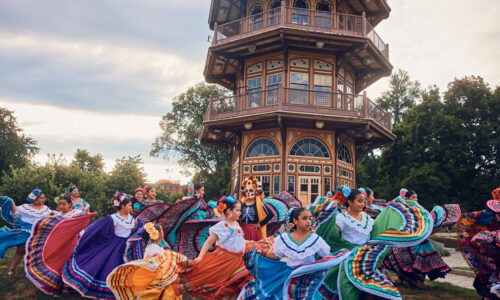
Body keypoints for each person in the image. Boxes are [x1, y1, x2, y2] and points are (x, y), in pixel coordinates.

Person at [310, 187, 434, 299]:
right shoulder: (342, 218)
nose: (363, 204)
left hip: (367, 256)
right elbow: (333, 235)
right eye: (359, 201)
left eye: (364, 200)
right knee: (349, 286)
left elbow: (377, 229)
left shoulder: (367, 218)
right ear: (350, 202)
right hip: (350, 256)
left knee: (373, 289)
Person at [62, 192, 144, 299]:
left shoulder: (132, 218)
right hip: (114, 247)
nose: (131, 207)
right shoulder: (113, 218)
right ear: (122, 206)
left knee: (122, 269)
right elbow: (98, 229)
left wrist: (139, 225)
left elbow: (132, 230)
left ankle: (119, 290)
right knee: (108, 267)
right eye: (129, 205)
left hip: (126, 247)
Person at [239, 207, 331, 299]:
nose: (308, 221)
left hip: (307, 279)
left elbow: (328, 256)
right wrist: (263, 253)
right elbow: (277, 256)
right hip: (288, 277)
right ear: (295, 221)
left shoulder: (315, 239)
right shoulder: (284, 238)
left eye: (309, 218)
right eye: (304, 218)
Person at [174, 196, 253, 299]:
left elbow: (237, 240)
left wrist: (248, 242)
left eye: (240, 210)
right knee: (214, 281)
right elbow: (208, 243)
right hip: (225, 261)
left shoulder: (236, 224)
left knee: (234, 284)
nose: (240, 213)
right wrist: (200, 257)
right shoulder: (221, 226)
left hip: (238, 260)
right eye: (237, 210)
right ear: (229, 211)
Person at [383, 189, 461, 287]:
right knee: (399, 257)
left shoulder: (420, 209)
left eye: (416, 197)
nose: (415, 199)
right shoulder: (402, 209)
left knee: (420, 260)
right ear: (407, 198)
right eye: (413, 197)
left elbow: (426, 221)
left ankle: (418, 281)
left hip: (419, 239)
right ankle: (403, 278)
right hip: (405, 239)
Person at [25, 195, 95, 296]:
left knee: (67, 262)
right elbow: (48, 224)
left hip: (72, 242)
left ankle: (68, 285)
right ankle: (55, 286)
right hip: (59, 243)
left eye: (64, 204)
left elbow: (84, 220)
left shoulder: (76, 213)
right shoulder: (56, 215)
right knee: (56, 261)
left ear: (70, 205)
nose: (61, 206)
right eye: (60, 204)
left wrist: (89, 217)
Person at [107, 222, 186, 300]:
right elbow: (155, 266)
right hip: (159, 284)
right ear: (157, 234)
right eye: (161, 230)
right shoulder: (153, 248)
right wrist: (169, 259)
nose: (163, 232)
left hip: (163, 284)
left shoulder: (155, 247)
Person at [458, 189, 499, 300]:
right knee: (489, 278)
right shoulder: (487, 215)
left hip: (489, 251)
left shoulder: (485, 215)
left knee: (489, 277)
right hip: (491, 250)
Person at [0, 189, 51, 276]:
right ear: (35, 199)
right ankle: (11, 270)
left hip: (39, 234)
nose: (43, 200)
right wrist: (9, 201)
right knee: (20, 251)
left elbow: (53, 215)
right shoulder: (25, 207)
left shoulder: (45, 209)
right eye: (41, 198)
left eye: (43, 198)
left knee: (37, 253)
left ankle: (33, 272)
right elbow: (14, 211)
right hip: (25, 233)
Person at [239, 175, 274, 241]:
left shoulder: (259, 204)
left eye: (251, 190)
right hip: (242, 230)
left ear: (255, 191)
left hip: (254, 231)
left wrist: (260, 224)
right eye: (247, 191)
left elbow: (271, 214)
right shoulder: (242, 204)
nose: (248, 192)